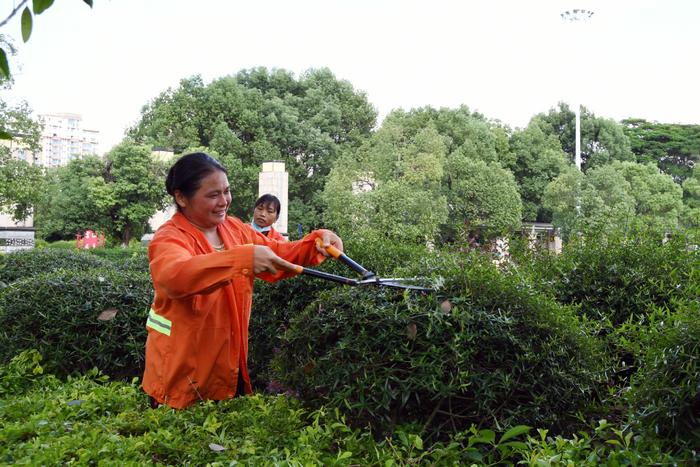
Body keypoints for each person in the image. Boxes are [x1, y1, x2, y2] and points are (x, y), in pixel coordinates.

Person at [143, 152, 343, 409]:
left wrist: (316, 242)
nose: (224, 201)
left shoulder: (234, 228)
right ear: (181, 197)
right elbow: (174, 277)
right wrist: (241, 259)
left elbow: (278, 253)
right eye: (213, 195)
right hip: (180, 376)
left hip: (229, 370)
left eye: (226, 191)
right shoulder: (169, 237)